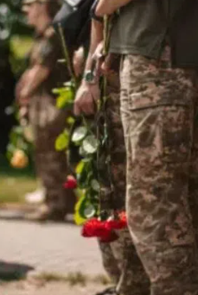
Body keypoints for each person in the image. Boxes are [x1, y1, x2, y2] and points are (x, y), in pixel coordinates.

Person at [91, 1, 198, 294]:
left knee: (153, 198)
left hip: (158, 57)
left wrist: (100, 6)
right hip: (190, 53)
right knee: (184, 196)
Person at [74, 17, 151, 295]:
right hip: (111, 84)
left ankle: (133, 285)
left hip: (118, 84)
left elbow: (99, 22)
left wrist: (89, 78)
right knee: (108, 188)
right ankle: (122, 281)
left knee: (123, 192)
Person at [17, 0, 76, 221]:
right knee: (52, 153)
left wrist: (24, 93)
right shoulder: (43, 35)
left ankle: (55, 204)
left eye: (29, 5)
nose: (26, 10)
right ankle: (65, 200)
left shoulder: (52, 34)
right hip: (43, 102)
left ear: (42, 6)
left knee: (49, 153)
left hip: (52, 104)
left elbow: (42, 69)